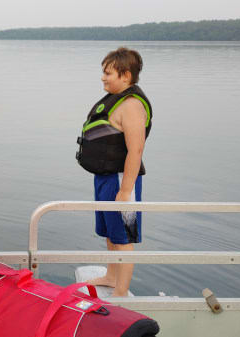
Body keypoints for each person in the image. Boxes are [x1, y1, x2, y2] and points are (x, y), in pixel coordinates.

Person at [75, 47, 152, 297]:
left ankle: (121, 292)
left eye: (108, 73)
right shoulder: (115, 100)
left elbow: (136, 150)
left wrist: (126, 190)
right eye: (103, 72)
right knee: (109, 231)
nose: (103, 77)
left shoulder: (131, 105)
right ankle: (111, 276)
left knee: (122, 238)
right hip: (105, 178)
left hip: (121, 179)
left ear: (125, 76)